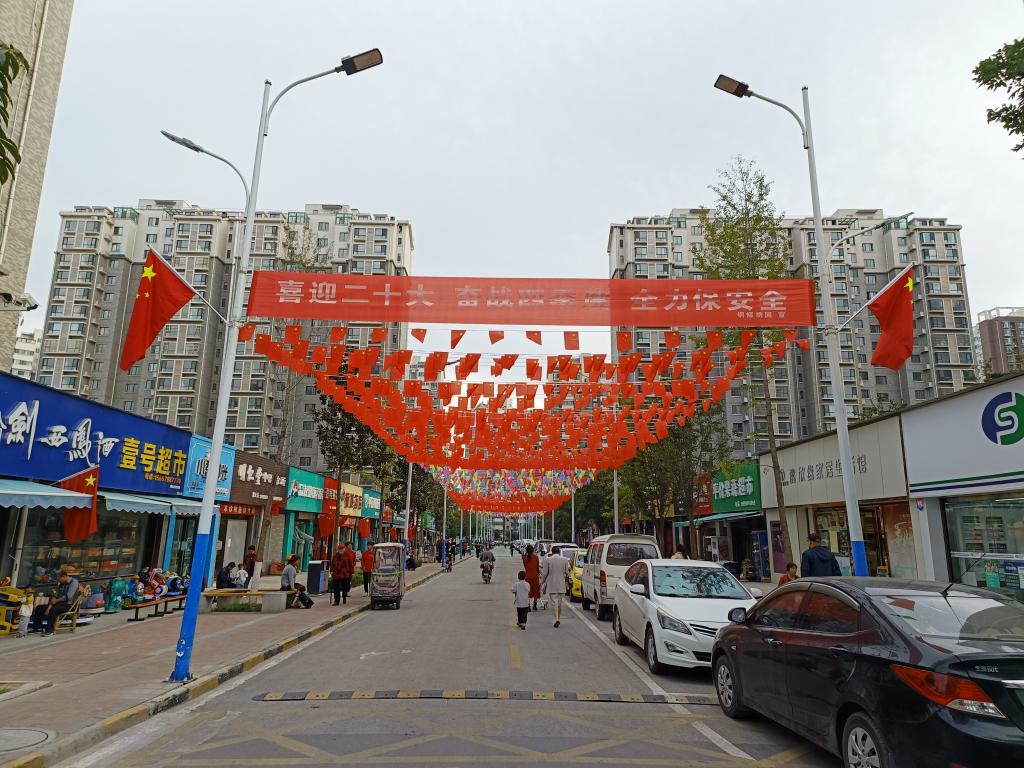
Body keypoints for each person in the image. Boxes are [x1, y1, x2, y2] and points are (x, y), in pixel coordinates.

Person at [30, 570, 79, 635]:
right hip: (58, 604)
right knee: (39, 608)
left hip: (69, 605)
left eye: (59, 579)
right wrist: (49, 607)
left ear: (63, 576)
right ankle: (37, 628)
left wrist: (56, 601)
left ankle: (49, 630)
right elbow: (55, 595)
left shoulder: (74, 582)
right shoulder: (61, 584)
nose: (58, 581)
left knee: (53, 610)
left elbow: (68, 596)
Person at [542, 548, 570, 628]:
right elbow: (567, 572)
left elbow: (544, 573)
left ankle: (557, 619)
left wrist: (542, 582)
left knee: (554, 602)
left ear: (552, 552)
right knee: (559, 603)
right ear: (559, 552)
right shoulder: (564, 560)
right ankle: (558, 618)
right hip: (561, 583)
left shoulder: (548, 560)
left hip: (552, 583)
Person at [521, 544, 541, 611]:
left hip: (527, 577)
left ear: (526, 551)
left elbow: (525, 567)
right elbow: (537, 568)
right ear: (533, 550)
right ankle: (535, 605)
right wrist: (538, 573)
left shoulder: (524, 558)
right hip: (535, 577)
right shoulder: (536, 557)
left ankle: (528, 606)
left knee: (528, 592)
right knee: (535, 591)